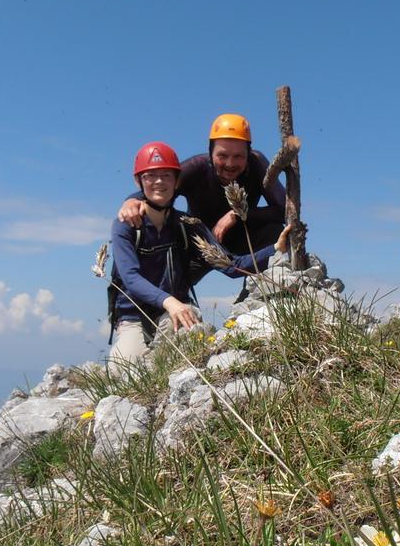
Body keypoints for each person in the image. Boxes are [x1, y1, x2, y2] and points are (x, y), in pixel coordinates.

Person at [107, 141, 286, 369]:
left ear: (177, 180)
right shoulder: (126, 226)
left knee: (182, 364)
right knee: (123, 371)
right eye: (151, 176)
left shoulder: (188, 225)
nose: (159, 181)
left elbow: (232, 266)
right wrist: (171, 302)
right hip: (134, 316)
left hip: (179, 313)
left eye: (166, 175)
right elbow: (130, 278)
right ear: (139, 181)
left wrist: (276, 249)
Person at [116, 114, 287, 281]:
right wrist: (132, 200)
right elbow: (161, 190)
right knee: (171, 290)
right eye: (222, 156)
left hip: (243, 240)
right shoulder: (196, 168)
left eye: (238, 156)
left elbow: (283, 210)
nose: (230, 164)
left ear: (248, 155)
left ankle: (257, 294)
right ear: (210, 153)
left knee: (277, 231)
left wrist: (237, 214)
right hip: (200, 244)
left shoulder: (256, 164)